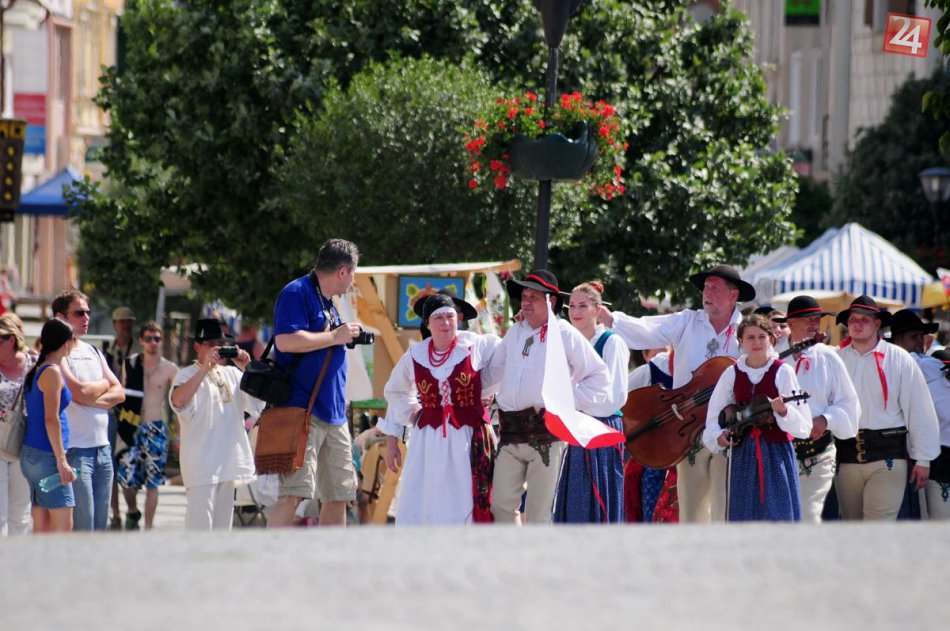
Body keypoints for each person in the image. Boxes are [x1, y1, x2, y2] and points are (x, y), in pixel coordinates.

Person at [599, 264, 753, 523]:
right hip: (687, 431)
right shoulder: (687, 321)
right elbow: (647, 330)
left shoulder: (746, 330)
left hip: (729, 429)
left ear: (733, 295)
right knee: (691, 510)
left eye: (715, 288)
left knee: (725, 508)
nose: (707, 293)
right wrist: (611, 319)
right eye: (706, 287)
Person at [482, 269, 609, 525]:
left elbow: (599, 377)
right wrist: (476, 396)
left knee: (539, 512)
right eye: (524, 297)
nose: (526, 302)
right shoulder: (515, 332)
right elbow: (493, 372)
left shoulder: (564, 333)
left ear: (551, 301)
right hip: (511, 431)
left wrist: (564, 401)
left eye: (534, 297)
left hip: (547, 434)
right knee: (500, 505)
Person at [380, 293, 500, 524]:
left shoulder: (475, 345)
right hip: (430, 438)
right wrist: (412, 415)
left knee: (465, 492)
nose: (445, 323)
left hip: (468, 435)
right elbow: (395, 392)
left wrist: (488, 392)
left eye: (450, 316)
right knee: (430, 493)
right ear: (427, 323)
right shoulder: (417, 355)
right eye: (438, 317)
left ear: (459, 318)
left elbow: (505, 361)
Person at [268, 238, 362, 528]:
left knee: (340, 495)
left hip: (334, 413)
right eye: (354, 273)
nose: (353, 280)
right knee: (293, 494)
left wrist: (341, 336)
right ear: (343, 272)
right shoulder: (296, 292)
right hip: (301, 411)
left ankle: (331, 556)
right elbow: (285, 342)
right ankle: (264, 553)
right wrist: (335, 336)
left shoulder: (328, 301)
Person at [835, 296, 940, 520]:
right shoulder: (836, 359)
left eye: (864, 319)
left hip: (888, 456)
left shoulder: (899, 358)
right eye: (853, 319)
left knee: (878, 526)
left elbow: (918, 409)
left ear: (877, 324)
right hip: (846, 456)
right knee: (852, 529)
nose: (857, 324)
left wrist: (923, 459)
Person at [703, 314, 812, 521]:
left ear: (771, 339)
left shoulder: (783, 371)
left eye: (762, 337)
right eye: (750, 337)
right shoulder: (732, 373)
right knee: (744, 517)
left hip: (776, 453)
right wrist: (718, 435)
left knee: (778, 516)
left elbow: (804, 426)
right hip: (743, 454)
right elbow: (714, 415)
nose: (757, 342)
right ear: (741, 341)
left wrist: (784, 411)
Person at [169, 319, 260, 531]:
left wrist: (248, 368)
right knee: (199, 529)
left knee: (222, 532)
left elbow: (258, 403)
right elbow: (178, 401)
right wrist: (204, 369)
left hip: (227, 464)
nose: (217, 348)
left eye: (220, 343)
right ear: (197, 346)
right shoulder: (186, 374)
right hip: (201, 466)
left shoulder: (232, 374)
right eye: (211, 344)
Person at [553, 281, 629, 523]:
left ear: (597, 310)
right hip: (574, 426)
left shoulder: (611, 342)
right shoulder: (566, 342)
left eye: (583, 306)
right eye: (572, 306)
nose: (575, 311)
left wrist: (573, 402)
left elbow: (615, 396)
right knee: (574, 493)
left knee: (599, 495)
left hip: (602, 426)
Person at [782, 295, 860, 523]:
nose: (815, 325)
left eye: (817, 319)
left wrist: (826, 420)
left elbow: (849, 403)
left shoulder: (828, 357)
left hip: (818, 454)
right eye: (808, 319)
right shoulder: (772, 357)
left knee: (809, 516)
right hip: (781, 453)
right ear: (790, 323)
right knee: (782, 520)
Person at [53, 291, 125, 531]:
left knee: (100, 528)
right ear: (61, 317)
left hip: (103, 449)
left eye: (88, 312)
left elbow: (119, 393)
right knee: (84, 528)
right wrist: (103, 386)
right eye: (79, 313)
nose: (86, 318)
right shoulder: (58, 353)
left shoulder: (92, 351)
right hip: (76, 451)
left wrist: (90, 396)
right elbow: (79, 392)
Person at [115, 321, 178, 530]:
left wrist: (177, 435)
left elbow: (179, 402)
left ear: (161, 341)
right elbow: (122, 393)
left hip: (155, 428)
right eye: (149, 339)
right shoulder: (131, 364)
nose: (153, 343)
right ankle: (132, 510)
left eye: (157, 339)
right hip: (131, 426)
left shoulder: (170, 369)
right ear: (141, 340)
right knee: (125, 477)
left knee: (153, 481)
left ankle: (148, 528)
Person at [888, 310, 950, 520]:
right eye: (914, 337)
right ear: (898, 339)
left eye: (922, 336)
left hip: (924, 457)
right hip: (899, 455)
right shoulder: (911, 363)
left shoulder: (929, 367)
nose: (921, 342)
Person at [19, 319, 77, 533]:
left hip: (32, 453)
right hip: (47, 456)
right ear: (66, 342)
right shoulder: (52, 372)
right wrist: (61, 460)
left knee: (42, 526)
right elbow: (50, 419)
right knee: (62, 529)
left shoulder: (37, 368)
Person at [0, 319, 36, 535]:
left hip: (25, 445)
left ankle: (17, 553)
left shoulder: (34, 364)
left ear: (11, 340)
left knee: (21, 512)